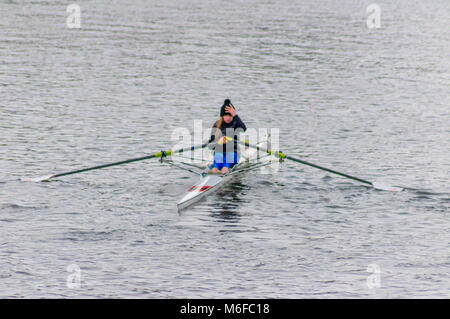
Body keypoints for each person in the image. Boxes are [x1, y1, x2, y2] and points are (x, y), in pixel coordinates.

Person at [208, 99, 247, 174]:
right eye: (225, 115)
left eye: (230, 115)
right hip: (220, 153)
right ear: (222, 116)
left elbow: (244, 129)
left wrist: (235, 115)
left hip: (233, 153)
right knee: (218, 155)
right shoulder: (216, 125)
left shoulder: (236, 123)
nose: (228, 118)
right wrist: (218, 142)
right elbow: (210, 146)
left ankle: (224, 170)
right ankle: (215, 169)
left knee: (229, 157)